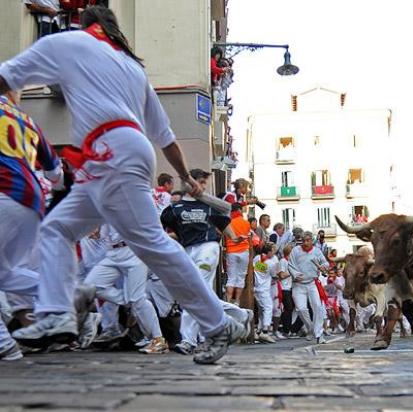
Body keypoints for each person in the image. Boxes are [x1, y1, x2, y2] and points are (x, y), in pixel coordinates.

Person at [1, 6, 246, 364]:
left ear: (83, 23)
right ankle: (58, 313)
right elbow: (166, 138)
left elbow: (6, 76)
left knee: (152, 244)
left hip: (111, 153)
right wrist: (185, 176)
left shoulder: (67, 43)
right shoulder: (133, 68)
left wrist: (185, 178)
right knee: (57, 228)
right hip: (115, 155)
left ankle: (217, 323)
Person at [161, 169, 253, 355]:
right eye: (200, 182)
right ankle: (240, 313)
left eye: (204, 183)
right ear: (188, 183)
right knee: (200, 294)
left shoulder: (210, 206)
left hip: (208, 248)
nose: (202, 186)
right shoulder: (174, 209)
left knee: (194, 291)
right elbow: (164, 229)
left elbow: (224, 221)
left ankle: (187, 340)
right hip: (187, 251)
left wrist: (233, 237)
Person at [0, 90, 63, 360]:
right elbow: (55, 173)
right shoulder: (27, 119)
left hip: (3, 191)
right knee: (4, 274)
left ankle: (5, 347)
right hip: (32, 202)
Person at [83, 225, 168, 354]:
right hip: (111, 252)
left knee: (137, 299)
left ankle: (158, 340)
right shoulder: (102, 207)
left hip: (133, 251)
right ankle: (133, 302)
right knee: (91, 286)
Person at [288, 231, 330, 344]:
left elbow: (326, 263)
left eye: (308, 240)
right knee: (300, 308)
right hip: (298, 284)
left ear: (312, 240)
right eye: (304, 241)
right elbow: (290, 265)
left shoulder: (317, 251)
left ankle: (319, 334)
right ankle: (310, 327)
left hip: (312, 283)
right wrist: (296, 275)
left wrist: (323, 267)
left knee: (318, 307)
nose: (306, 243)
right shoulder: (295, 251)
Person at [225, 203, 251, 304]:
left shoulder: (228, 222)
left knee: (231, 278)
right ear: (239, 210)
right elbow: (248, 236)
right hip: (244, 251)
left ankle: (228, 300)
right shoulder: (246, 223)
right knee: (241, 277)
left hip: (231, 251)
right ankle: (237, 301)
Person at [252, 242, 278, 343]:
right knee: (268, 308)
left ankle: (258, 331)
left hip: (256, 288)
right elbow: (275, 275)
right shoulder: (270, 263)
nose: (274, 254)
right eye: (273, 251)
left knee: (262, 310)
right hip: (264, 289)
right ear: (269, 252)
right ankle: (265, 331)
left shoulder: (256, 258)